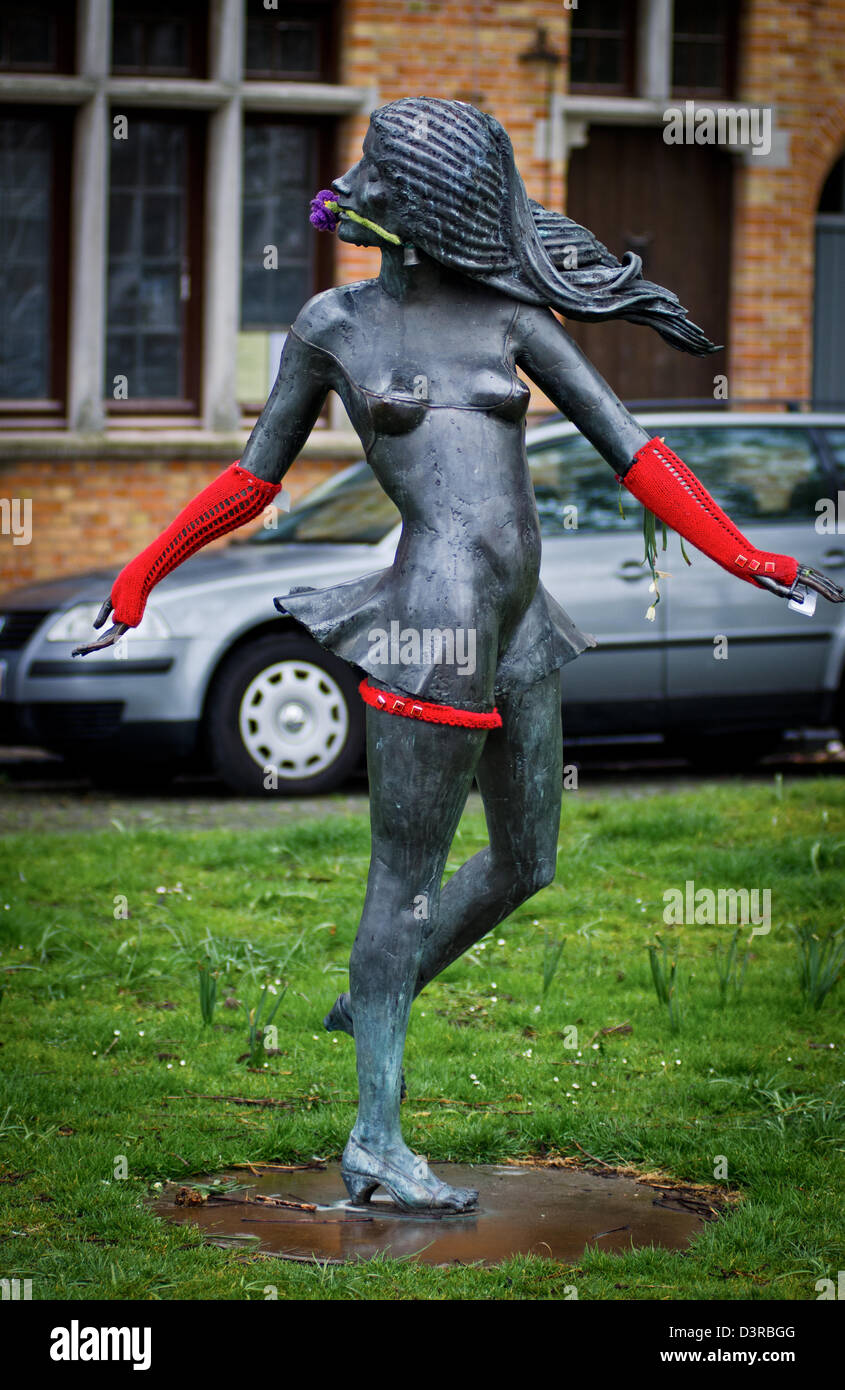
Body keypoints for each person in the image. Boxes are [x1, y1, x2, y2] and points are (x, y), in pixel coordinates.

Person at [74, 98, 844, 1212]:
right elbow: (253, 479)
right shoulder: (331, 327)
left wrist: (741, 553)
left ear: (418, 209)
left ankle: (376, 988)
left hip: (518, 620)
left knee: (528, 862)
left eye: (379, 174)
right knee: (405, 881)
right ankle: (375, 1136)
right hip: (432, 617)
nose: (355, 189)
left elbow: (631, 448)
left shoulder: (509, 317)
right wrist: (141, 576)